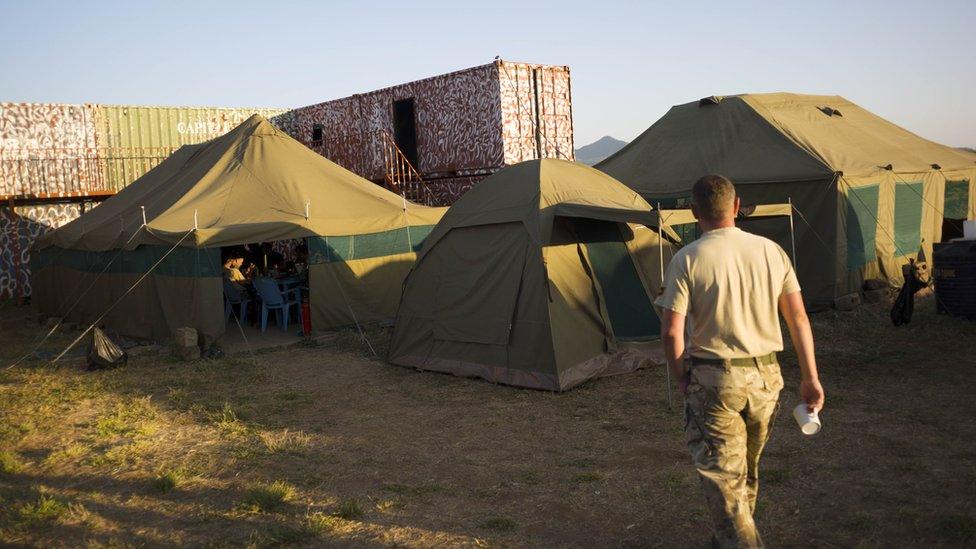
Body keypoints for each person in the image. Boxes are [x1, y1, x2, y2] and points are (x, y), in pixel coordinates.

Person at [655, 175, 825, 548]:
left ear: (694, 212)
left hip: (715, 381)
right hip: (766, 378)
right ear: (736, 207)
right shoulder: (771, 251)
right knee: (744, 474)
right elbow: (797, 318)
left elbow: (671, 332)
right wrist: (810, 377)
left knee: (724, 479)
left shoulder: (688, 258)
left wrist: (681, 375)